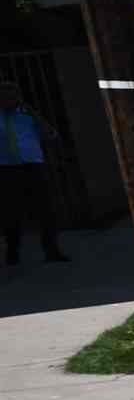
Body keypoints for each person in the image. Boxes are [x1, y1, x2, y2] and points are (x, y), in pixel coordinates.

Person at [0, 86, 66, 266]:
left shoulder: (28, 117)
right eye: (4, 97)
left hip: (33, 167)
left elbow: (50, 134)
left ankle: (51, 250)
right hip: (7, 168)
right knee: (11, 212)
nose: (8, 100)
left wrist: (32, 112)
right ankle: (12, 252)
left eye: (12, 96)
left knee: (45, 210)